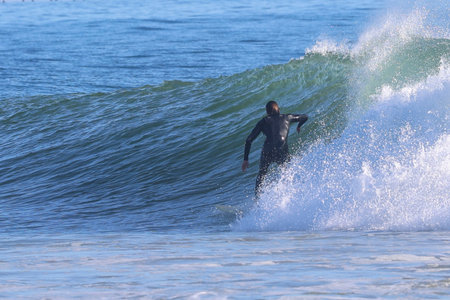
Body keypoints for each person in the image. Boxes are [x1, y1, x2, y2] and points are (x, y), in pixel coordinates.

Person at [242, 101, 308, 196]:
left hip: (267, 152)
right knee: (287, 171)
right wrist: (299, 125)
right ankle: (291, 194)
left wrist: (245, 159)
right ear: (279, 110)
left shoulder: (264, 121)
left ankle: (257, 199)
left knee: (261, 175)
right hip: (282, 151)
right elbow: (305, 117)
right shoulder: (287, 117)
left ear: (267, 112)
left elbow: (249, 140)